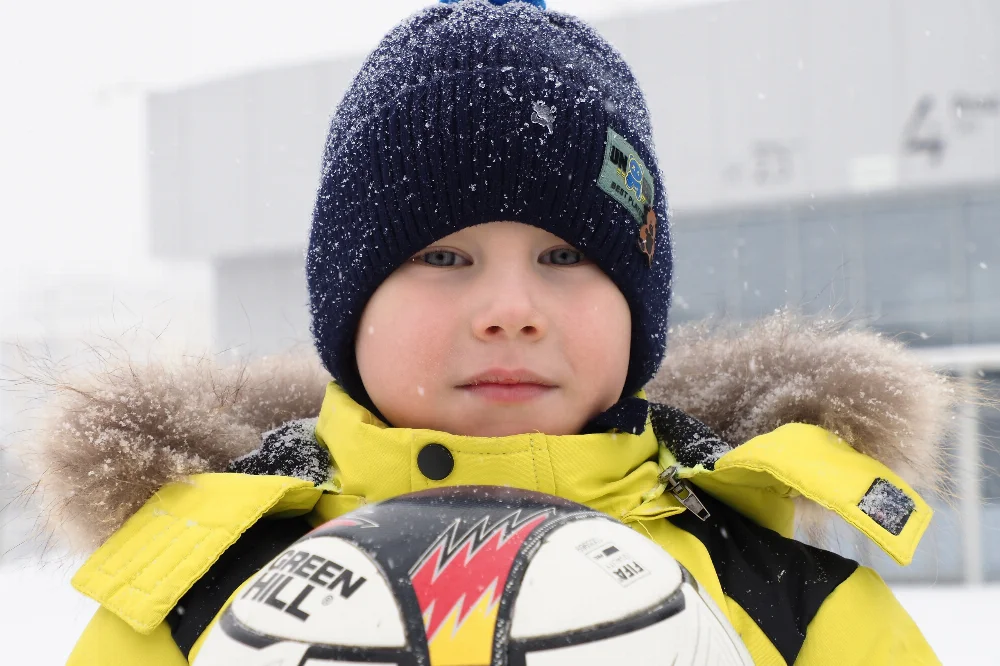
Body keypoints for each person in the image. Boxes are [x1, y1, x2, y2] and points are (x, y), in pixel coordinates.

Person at [45, 0, 947, 663]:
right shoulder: (190, 607)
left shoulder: (793, 609)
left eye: (564, 256)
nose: (511, 309)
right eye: (444, 257)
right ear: (348, 310)